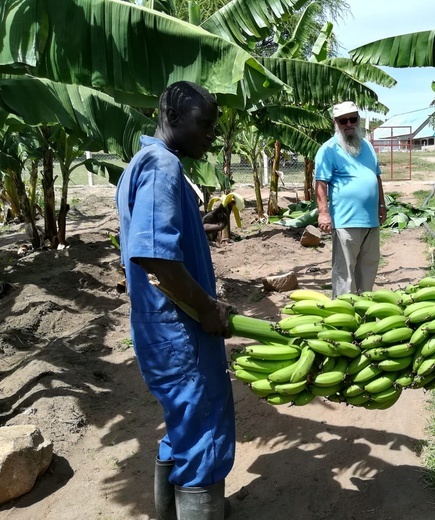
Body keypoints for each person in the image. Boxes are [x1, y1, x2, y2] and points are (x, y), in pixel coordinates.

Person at [115, 81, 236, 520]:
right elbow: (152, 255)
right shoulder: (161, 165)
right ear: (172, 116)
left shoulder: (143, 164)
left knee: (183, 429)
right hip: (179, 329)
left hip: (160, 327)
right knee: (203, 432)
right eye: (204, 124)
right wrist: (207, 308)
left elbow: (151, 237)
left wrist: (196, 225)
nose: (211, 135)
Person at [315, 101, 387, 298]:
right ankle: (343, 314)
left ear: (358, 120)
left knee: (369, 268)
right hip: (346, 222)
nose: (348, 124)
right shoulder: (328, 150)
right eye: (343, 121)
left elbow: (376, 177)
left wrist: (382, 204)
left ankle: (364, 310)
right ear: (335, 123)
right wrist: (323, 213)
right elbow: (321, 183)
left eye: (352, 119)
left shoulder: (368, 147)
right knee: (345, 273)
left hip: (371, 221)